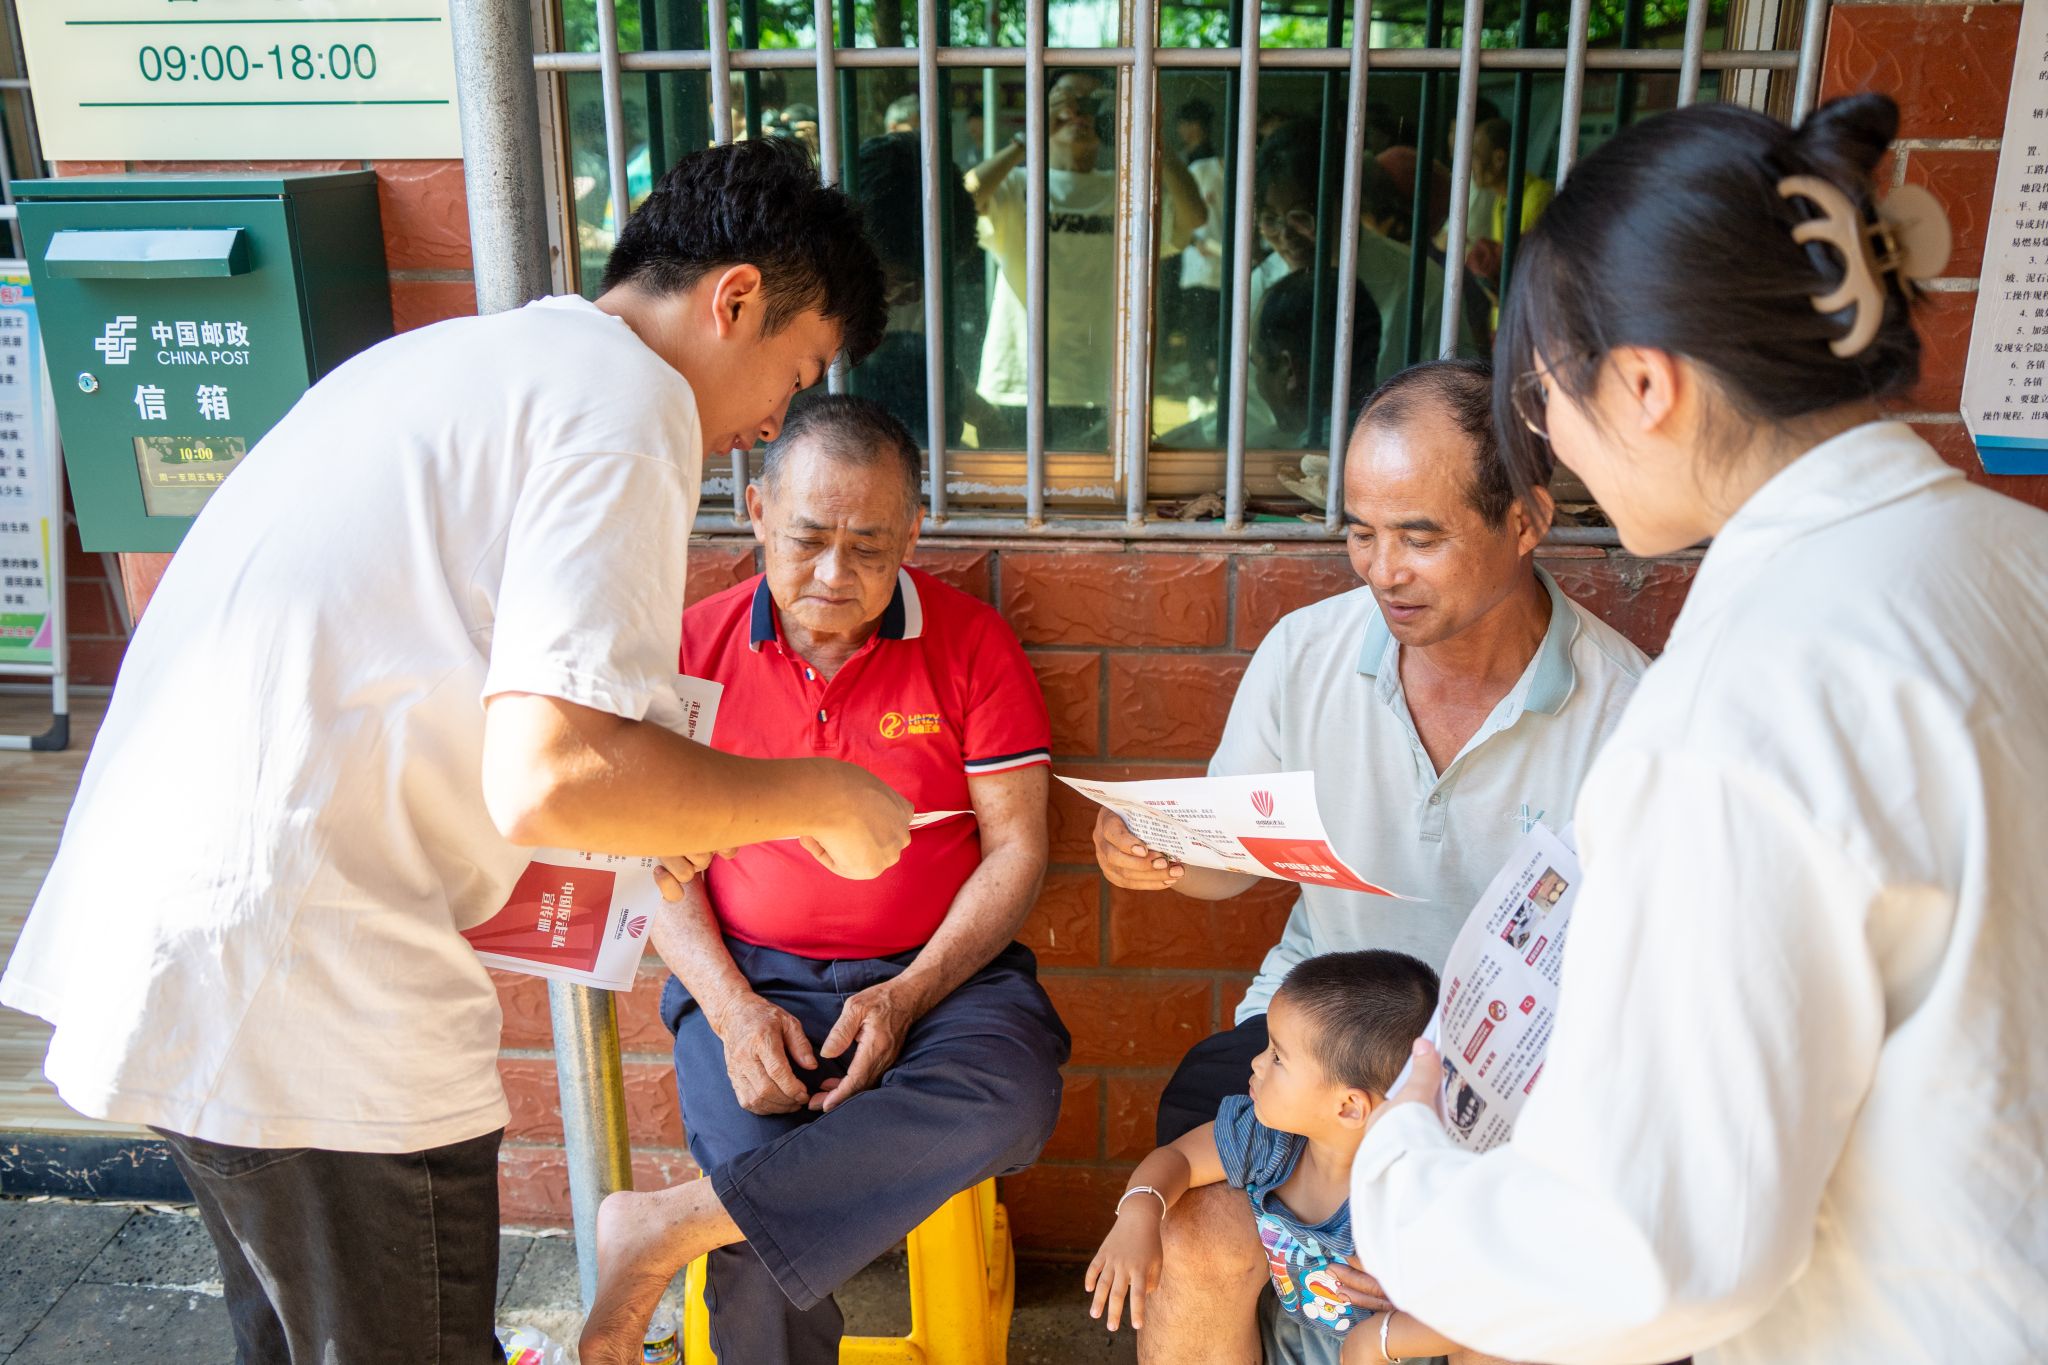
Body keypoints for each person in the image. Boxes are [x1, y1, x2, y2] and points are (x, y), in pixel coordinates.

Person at [0, 139, 912, 1365]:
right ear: (733, 298)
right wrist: (821, 796)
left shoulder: (455, 363)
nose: (770, 423)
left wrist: (654, 811)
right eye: (792, 374)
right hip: (308, 984)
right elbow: (550, 774)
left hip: (194, 941)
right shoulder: (626, 405)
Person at [1349, 94, 2048, 1362]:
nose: (1548, 445)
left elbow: (1641, 1256)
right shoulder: (2014, 559)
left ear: (1642, 385)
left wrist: (1399, 1163)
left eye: (1540, 400)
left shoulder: (1734, 706)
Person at [1095, 359, 1646, 1364]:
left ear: (1525, 519)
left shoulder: (1626, 715)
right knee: (1199, 1232)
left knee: (1489, 1292)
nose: (1381, 570)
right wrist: (1164, 852)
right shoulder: (1306, 654)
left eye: (1419, 537)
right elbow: (1233, 861)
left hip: (1512, 1086)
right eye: (1360, 532)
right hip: (1316, 1034)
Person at [579, 396, 1070, 1365]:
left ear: (914, 533)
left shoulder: (973, 644)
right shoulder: (693, 653)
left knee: (1012, 1099)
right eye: (807, 540)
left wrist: (907, 994)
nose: (835, 574)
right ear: (758, 512)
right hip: (752, 978)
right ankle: (711, 1216)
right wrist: (731, 1011)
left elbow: (1017, 848)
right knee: (754, 1188)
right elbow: (649, 861)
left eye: (869, 546)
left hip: (943, 980)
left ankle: (670, 1223)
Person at [1086, 952, 1476, 1365]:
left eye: (1277, 1057)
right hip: (1290, 1342)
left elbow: (1485, 1310)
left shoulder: (1418, 1190)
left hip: (1394, 1350)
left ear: (1348, 1107)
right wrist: (1139, 1213)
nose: (1256, 1062)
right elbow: (1180, 1159)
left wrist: (1377, 1342)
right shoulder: (1271, 1140)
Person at [968, 70, 1207, 448]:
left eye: (1091, 104)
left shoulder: (1125, 189)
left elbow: (1194, 217)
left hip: (1104, 385)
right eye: (1066, 101)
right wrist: (1027, 137)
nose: (1078, 114)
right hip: (1019, 380)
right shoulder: (1016, 184)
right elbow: (962, 199)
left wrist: (1152, 137)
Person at [1252, 121, 1476, 388]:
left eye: (1302, 216)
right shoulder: (1259, 286)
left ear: (1349, 201)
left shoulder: (1421, 287)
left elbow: (1454, 397)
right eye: (1270, 220)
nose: (1286, 235)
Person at [1250, 270, 1381, 452]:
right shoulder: (1390, 439)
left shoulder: (1306, 464)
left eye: (1257, 366)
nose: (1258, 381)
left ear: (1289, 370)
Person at [1462, 118, 1554, 318]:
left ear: (1499, 159)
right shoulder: (1501, 201)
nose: (1470, 166)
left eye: (1475, 157)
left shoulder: (1537, 198)